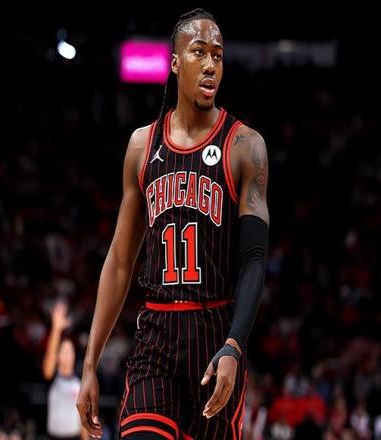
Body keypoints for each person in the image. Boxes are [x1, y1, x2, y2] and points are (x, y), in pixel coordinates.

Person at [76, 8, 269, 440]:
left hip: (215, 337)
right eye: (199, 52)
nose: (210, 64)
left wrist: (235, 345)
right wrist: (89, 363)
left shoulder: (245, 146)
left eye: (217, 55)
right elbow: (120, 261)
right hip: (156, 338)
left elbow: (254, 260)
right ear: (176, 62)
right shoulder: (141, 145)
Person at [43, 300, 89, 440]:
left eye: (70, 351)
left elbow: (83, 418)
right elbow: (49, 362)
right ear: (58, 356)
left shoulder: (79, 381)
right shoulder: (53, 378)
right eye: (64, 350)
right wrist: (56, 329)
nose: (68, 354)